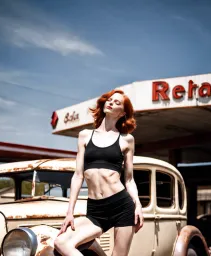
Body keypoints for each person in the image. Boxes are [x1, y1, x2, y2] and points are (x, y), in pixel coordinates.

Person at [54, 89, 144, 256]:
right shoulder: (84, 136)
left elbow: (129, 180)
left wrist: (138, 205)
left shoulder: (126, 140)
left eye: (117, 103)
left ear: (122, 113)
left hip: (121, 206)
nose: (111, 103)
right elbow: (78, 175)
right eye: (110, 100)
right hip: (95, 209)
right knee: (61, 242)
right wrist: (69, 213)